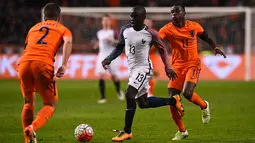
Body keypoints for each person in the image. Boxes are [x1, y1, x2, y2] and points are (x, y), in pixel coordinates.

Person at [102, 6, 184, 142]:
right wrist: (108, 59)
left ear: (143, 18)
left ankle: (127, 131)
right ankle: (173, 100)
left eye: (135, 16)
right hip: (132, 69)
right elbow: (119, 48)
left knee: (129, 94)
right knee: (143, 103)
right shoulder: (125, 30)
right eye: (131, 16)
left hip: (144, 68)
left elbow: (162, 49)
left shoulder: (151, 33)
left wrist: (167, 66)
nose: (132, 19)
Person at [159, 5, 227, 140]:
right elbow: (157, 39)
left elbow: (206, 37)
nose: (174, 14)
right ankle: (182, 131)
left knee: (187, 93)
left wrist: (214, 47)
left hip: (193, 64)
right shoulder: (167, 29)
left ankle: (204, 105)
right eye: (172, 12)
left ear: (184, 13)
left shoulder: (194, 26)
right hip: (177, 67)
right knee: (172, 101)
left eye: (176, 12)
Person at [18, 3, 72, 143]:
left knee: (28, 102)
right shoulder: (63, 29)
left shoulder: (34, 28)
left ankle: (27, 139)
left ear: (44, 16)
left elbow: (27, 46)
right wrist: (64, 65)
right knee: (50, 104)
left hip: (23, 63)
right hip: (43, 64)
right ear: (59, 17)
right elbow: (68, 42)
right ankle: (32, 127)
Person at [94, 14, 124, 104]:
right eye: (104, 20)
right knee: (101, 75)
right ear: (102, 22)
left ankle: (118, 90)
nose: (105, 22)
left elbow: (120, 42)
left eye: (107, 20)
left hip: (112, 56)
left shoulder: (113, 32)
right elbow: (100, 41)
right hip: (102, 55)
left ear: (110, 22)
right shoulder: (99, 32)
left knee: (114, 76)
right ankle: (103, 97)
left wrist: (111, 41)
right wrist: (96, 45)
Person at [144, 18, 159, 96]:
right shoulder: (139, 33)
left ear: (151, 24)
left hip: (151, 56)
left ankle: (150, 92)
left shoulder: (154, 33)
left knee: (150, 75)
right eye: (146, 22)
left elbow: (158, 45)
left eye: (148, 23)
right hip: (141, 57)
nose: (147, 24)